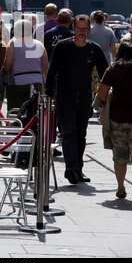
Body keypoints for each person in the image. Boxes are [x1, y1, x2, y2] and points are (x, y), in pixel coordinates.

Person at [45, 14, 109, 185]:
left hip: (84, 96)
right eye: (79, 28)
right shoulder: (62, 47)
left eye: (85, 29)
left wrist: (108, 93)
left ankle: (78, 169)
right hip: (65, 94)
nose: (82, 32)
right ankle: (71, 168)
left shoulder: (94, 49)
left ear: (89, 30)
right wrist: (49, 93)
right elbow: (52, 71)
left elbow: (105, 73)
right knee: (69, 132)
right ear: (73, 29)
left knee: (81, 133)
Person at [97, 41, 132, 202]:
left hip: (118, 118)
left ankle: (121, 187)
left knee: (119, 155)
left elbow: (101, 93)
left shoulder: (113, 70)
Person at [3, 18, 49, 111]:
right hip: (35, 83)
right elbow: (45, 68)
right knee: (33, 112)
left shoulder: (13, 43)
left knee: (14, 112)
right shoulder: (39, 44)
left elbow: (7, 64)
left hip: (16, 83)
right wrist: (46, 86)